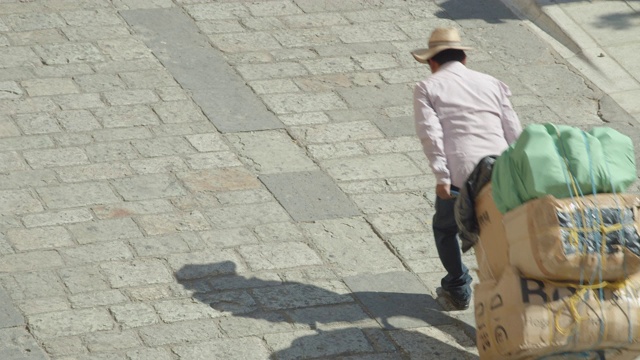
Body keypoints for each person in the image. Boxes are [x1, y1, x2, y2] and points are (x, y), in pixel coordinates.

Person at [411, 27, 522, 310]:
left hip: (462, 176)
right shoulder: (492, 83)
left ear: (432, 62)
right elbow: (513, 131)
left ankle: (458, 287)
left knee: (445, 228)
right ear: (463, 59)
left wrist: (441, 176)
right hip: (500, 170)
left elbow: (431, 135)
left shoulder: (427, 87)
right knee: (499, 230)